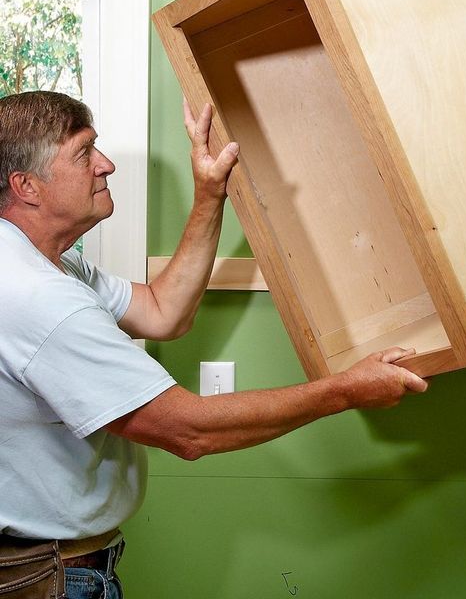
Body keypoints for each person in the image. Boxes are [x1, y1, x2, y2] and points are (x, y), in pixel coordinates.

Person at [0, 91, 427, 599]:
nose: (106, 165)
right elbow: (188, 432)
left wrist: (209, 194)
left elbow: (162, 310)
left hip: (54, 565)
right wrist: (347, 391)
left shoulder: (51, 265)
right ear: (27, 186)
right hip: (47, 578)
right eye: (84, 152)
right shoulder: (38, 298)